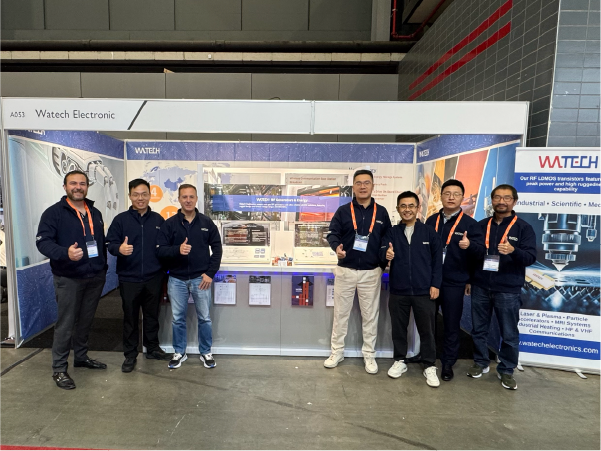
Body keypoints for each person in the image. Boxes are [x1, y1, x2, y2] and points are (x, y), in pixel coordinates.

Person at [36, 170, 108, 390]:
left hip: (94, 276)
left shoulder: (94, 212)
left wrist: (102, 267)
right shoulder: (53, 213)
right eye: (73, 183)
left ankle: (81, 357)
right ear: (65, 187)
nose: (78, 187)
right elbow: (43, 242)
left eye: (82, 183)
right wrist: (64, 252)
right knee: (66, 324)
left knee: (86, 321)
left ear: (87, 186)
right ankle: (59, 369)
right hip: (68, 277)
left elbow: (98, 242)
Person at [467, 184, 536, 390]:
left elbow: (530, 257)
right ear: (492, 200)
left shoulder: (523, 228)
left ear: (514, 201)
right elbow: (474, 256)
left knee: (509, 333)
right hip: (480, 285)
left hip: (508, 288)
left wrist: (514, 250)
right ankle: (480, 362)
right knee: (478, 329)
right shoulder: (481, 226)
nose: (501, 202)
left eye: (506, 198)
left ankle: (506, 370)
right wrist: (470, 278)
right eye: (497, 197)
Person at [324, 169, 391, 374]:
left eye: (366, 183)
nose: (363, 186)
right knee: (340, 314)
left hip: (371, 272)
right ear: (353, 187)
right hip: (345, 270)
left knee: (370, 316)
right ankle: (337, 352)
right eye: (359, 183)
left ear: (373, 186)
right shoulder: (343, 211)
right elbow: (332, 234)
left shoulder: (381, 212)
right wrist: (336, 247)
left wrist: (382, 262)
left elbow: (387, 238)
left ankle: (369, 355)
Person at [106, 179, 171, 373]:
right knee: (130, 317)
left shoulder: (158, 220)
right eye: (136, 194)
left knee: (152, 315)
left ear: (150, 195)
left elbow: (165, 246)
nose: (140, 198)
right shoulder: (120, 220)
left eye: (144, 194)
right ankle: (130, 354)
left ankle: (152, 348)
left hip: (154, 277)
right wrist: (119, 249)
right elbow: (110, 244)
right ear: (130, 196)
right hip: (129, 278)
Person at [156, 184, 223, 369]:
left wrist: (210, 273)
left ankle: (206, 352)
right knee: (178, 318)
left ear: (196, 199)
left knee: (205, 318)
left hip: (201, 279)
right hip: (176, 279)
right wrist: (177, 250)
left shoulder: (206, 223)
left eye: (191, 197)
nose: (188, 200)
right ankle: (179, 352)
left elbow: (217, 249)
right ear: (179, 199)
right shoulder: (169, 224)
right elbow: (160, 251)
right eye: (184, 197)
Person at [425, 179, 485, 381]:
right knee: (428, 323)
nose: (451, 197)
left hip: (454, 282)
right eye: (447, 193)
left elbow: (480, 254)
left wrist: (470, 246)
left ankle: (448, 363)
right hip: (430, 281)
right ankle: (428, 359)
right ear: (441, 196)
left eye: (456, 194)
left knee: (451, 324)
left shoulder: (470, 224)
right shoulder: (431, 221)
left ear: (462, 197)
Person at [381, 191, 442, 387]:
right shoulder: (392, 232)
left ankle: (429, 365)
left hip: (424, 291)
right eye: (403, 206)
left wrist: (435, 284)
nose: (407, 209)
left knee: (427, 330)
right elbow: (382, 250)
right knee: (399, 328)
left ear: (418, 208)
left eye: (411, 206)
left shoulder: (429, 232)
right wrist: (386, 254)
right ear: (398, 209)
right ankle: (400, 360)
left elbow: (437, 262)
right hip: (399, 290)